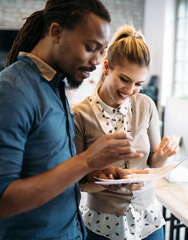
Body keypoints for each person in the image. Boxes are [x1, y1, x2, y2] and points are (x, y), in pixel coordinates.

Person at [0, 1, 143, 239]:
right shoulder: (9, 92)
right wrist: (86, 160)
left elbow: (48, 167)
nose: (96, 62)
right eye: (90, 47)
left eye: (102, 51)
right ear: (56, 32)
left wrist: (94, 173)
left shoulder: (55, 86)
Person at [72, 25, 179, 240]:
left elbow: (154, 163)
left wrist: (164, 154)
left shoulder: (146, 105)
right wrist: (104, 178)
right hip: (103, 222)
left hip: (148, 219)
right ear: (106, 67)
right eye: (125, 79)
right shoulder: (80, 115)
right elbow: (76, 180)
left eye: (139, 83)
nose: (130, 91)